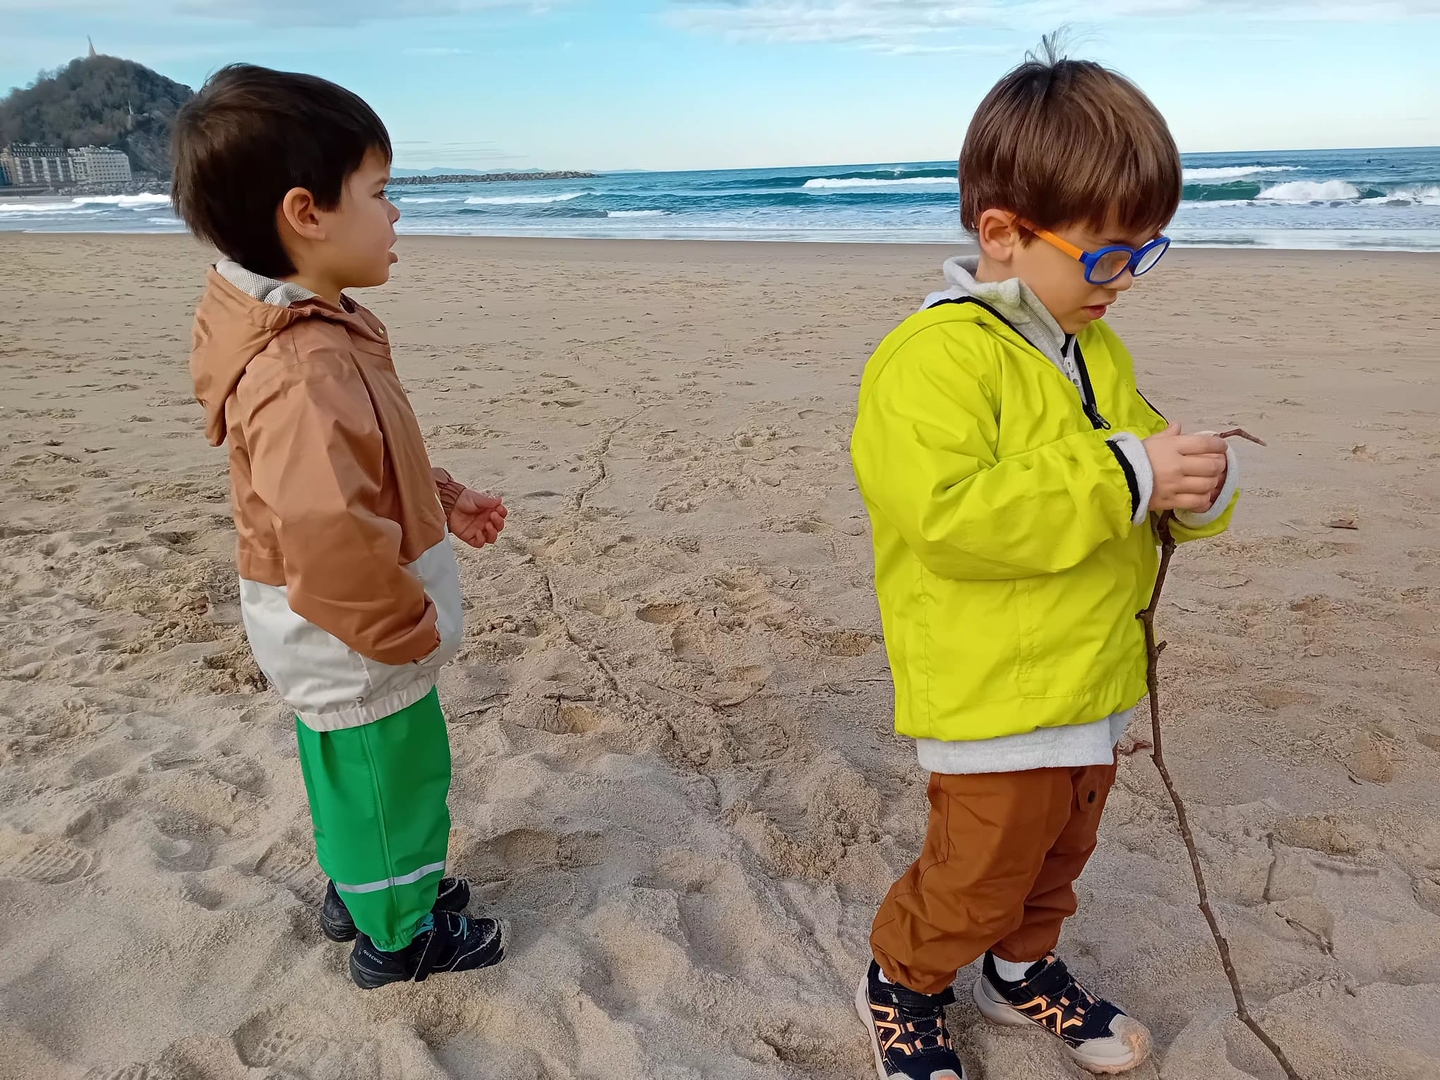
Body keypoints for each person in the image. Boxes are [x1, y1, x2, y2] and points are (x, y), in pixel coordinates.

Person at [850, 45, 1241, 1079]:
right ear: (1003, 234)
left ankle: (1020, 970)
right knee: (978, 868)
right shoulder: (933, 359)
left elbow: (1137, 468)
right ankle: (903, 978)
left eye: (1144, 253)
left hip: (1089, 673)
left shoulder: (1091, 345)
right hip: (993, 687)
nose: (1125, 280)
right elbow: (950, 518)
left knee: (1060, 855)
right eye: (1105, 256)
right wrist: (1128, 473)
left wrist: (1193, 487)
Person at [173, 64, 511, 990]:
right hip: (353, 634)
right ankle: (398, 936)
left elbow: (361, 461)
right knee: (390, 774)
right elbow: (326, 532)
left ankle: (367, 888)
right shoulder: (301, 368)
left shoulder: (311, 330)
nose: (396, 213)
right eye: (379, 191)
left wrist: (438, 494)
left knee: (360, 773)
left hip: (343, 623)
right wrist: (400, 628)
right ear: (306, 214)